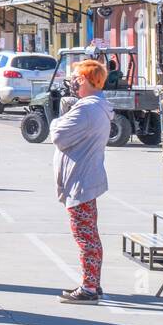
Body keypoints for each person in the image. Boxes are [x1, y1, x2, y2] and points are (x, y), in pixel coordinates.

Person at [52, 59, 113, 304]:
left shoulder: (86, 109)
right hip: (86, 178)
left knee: (85, 235)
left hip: (81, 181)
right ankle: (92, 282)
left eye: (77, 78)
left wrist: (60, 117)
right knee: (89, 234)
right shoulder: (95, 106)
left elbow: (57, 134)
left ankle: (89, 287)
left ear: (87, 80)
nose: (73, 82)